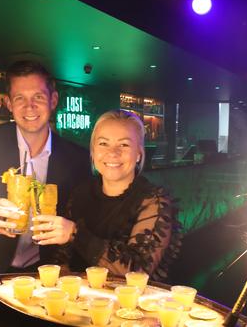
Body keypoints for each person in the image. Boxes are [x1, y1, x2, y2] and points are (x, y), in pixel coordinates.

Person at [0, 60, 90, 322]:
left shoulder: (77, 158)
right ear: (8, 103)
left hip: (47, 282)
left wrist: (72, 229)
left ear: (53, 100)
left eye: (38, 97)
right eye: (20, 98)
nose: (29, 107)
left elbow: (87, 223)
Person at [32, 109, 181, 281]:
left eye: (124, 145)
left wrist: (75, 233)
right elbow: (62, 258)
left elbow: (136, 272)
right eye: (103, 143)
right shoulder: (81, 193)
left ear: (139, 154)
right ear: (93, 152)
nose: (113, 152)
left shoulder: (154, 202)